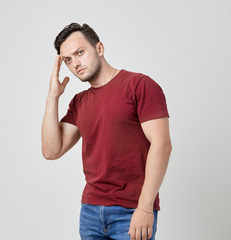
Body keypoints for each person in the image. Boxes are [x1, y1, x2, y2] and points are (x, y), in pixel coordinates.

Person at [41, 23, 172, 240]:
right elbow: (51, 151)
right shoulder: (79, 102)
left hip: (132, 211)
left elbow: (162, 144)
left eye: (80, 52)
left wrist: (145, 207)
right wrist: (52, 97)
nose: (75, 63)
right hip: (90, 211)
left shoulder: (139, 85)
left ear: (99, 48)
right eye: (68, 60)